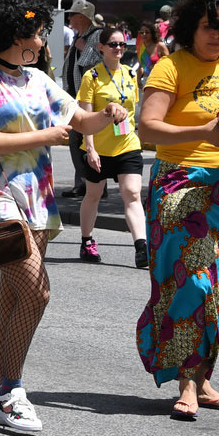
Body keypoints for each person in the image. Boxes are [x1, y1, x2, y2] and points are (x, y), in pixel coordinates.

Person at [0, 0, 127, 435]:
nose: (44, 42)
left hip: (35, 196)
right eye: (37, 33)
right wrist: (45, 136)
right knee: (37, 292)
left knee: (14, 299)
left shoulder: (36, 79)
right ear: (16, 36)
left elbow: (79, 121)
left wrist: (106, 114)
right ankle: (11, 391)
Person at [136, 0, 219, 420]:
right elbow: (148, 128)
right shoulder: (171, 66)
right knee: (193, 282)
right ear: (192, 27)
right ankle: (186, 384)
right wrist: (204, 132)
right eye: (211, 27)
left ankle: (204, 381)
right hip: (181, 182)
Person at [76, 26, 148, 267]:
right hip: (99, 147)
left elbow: (131, 111)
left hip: (127, 144)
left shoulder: (129, 74)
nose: (119, 48)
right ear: (101, 48)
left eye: (122, 44)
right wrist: (91, 148)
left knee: (133, 194)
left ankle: (141, 247)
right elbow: (84, 117)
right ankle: (87, 242)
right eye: (113, 44)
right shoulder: (91, 77)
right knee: (93, 195)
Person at [62, 0, 102, 197]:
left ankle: (92, 183)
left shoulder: (96, 36)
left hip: (86, 97)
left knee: (83, 141)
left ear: (83, 17)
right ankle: (84, 182)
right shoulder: (81, 36)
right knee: (77, 141)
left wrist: (81, 47)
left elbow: (94, 62)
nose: (69, 18)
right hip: (74, 96)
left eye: (73, 15)